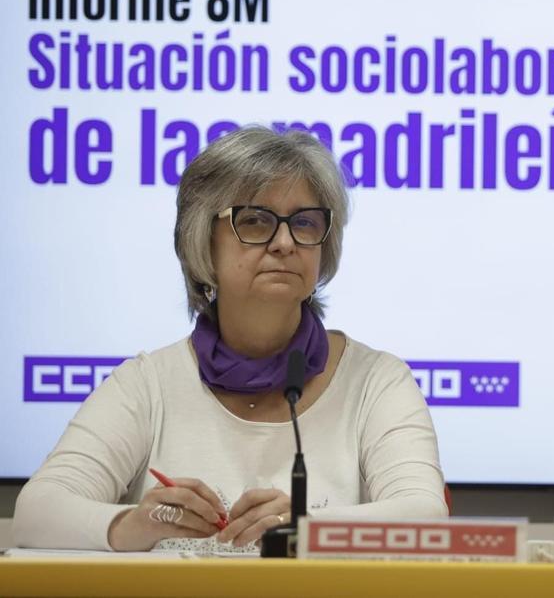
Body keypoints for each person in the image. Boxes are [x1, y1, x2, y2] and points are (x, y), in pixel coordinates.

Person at [14, 126, 447, 552]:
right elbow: (36, 512)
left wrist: (305, 527)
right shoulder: (147, 385)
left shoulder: (376, 381)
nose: (283, 242)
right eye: (255, 221)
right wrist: (132, 524)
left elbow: (425, 513)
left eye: (305, 222)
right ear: (203, 240)